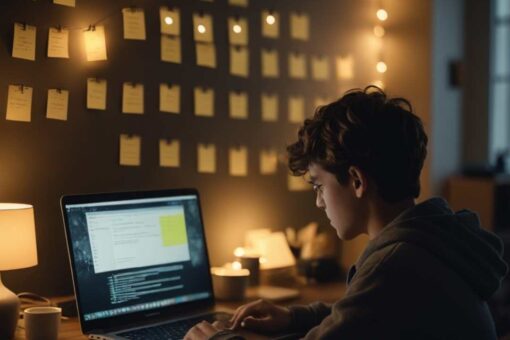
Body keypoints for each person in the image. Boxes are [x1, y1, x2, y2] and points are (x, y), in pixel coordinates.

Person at [184, 86, 508, 340]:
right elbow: (365, 316)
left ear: (356, 180)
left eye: (319, 186)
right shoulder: (429, 238)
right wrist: (295, 317)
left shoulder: (394, 266)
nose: (319, 203)